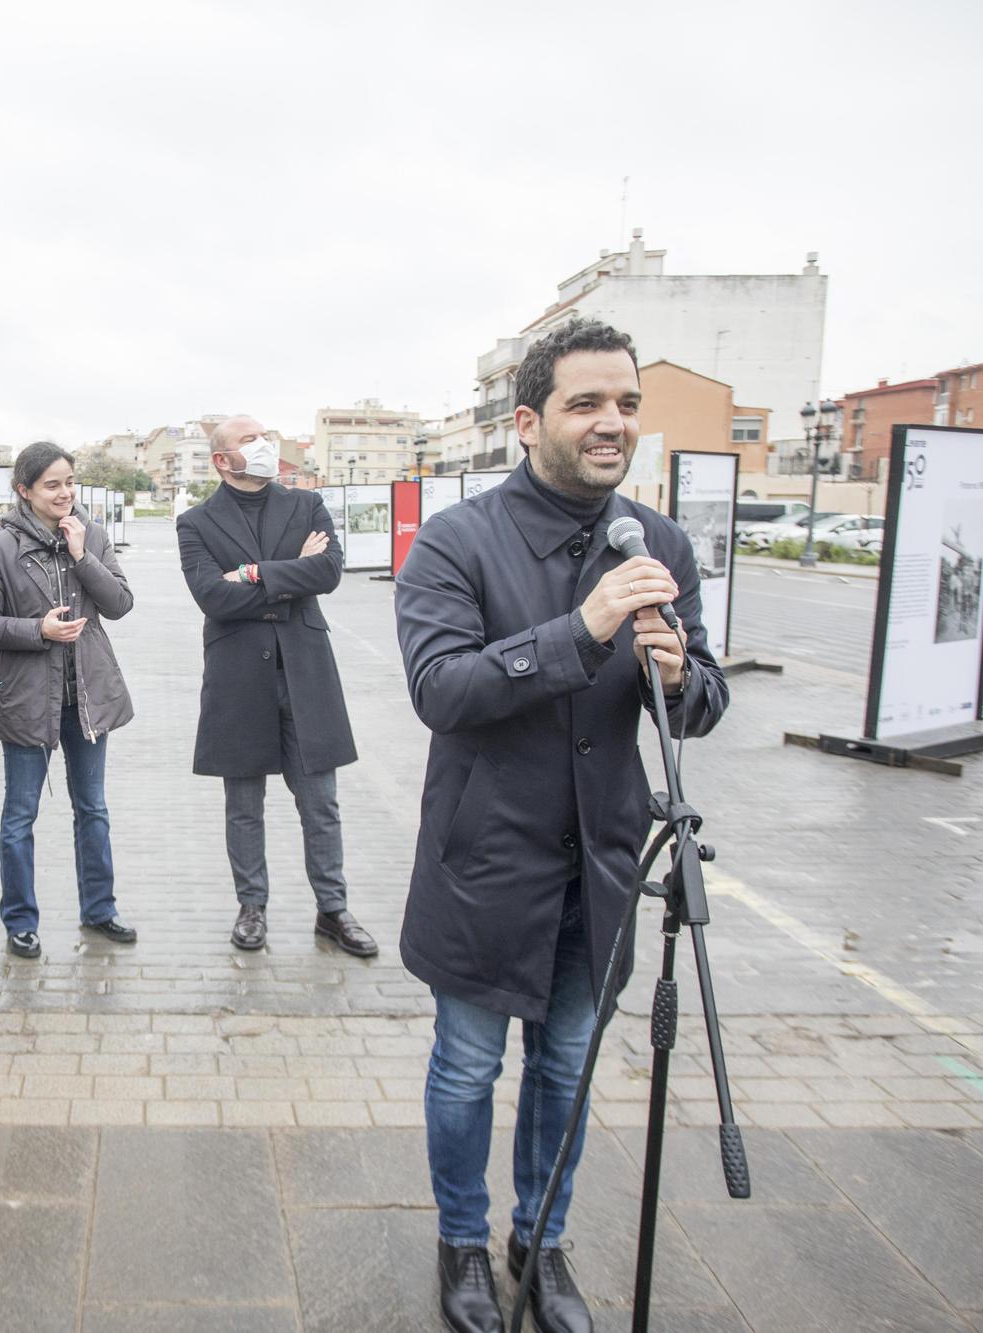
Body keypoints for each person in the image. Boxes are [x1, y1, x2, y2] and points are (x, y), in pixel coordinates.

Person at [393, 319, 728, 1333]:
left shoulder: (656, 542)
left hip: (603, 859)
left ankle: (539, 1241)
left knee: (567, 1059)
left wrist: (681, 676)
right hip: (484, 858)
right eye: (586, 404)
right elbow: (439, 690)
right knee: (465, 1064)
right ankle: (461, 1240)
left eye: (625, 403)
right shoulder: (456, 540)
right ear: (527, 418)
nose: (610, 423)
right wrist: (578, 631)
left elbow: (705, 698)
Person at [175, 416, 378, 958]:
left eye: (263, 434)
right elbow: (212, 599)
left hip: (306, 674)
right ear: (222, 460)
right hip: (238, 678)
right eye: (249, 439)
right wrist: (292, 571)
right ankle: (252, 907)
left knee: (321, 804)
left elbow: (330, 572)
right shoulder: (195, 522)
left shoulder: (305, 505)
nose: (264, 445)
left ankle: (332, 910)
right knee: (244, 804)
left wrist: (253, 575)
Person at [0, 441, 137, 957]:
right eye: (52, 484)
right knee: (19, 814)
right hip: (27, 697)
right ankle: (20, 920)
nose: (65, 493)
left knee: (92, 808)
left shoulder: (90, 534)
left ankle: (101, 910)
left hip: (88, 696)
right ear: (24, 491)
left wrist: (80, 554)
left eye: (69, 481)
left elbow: (119, 603)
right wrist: (37, 630)